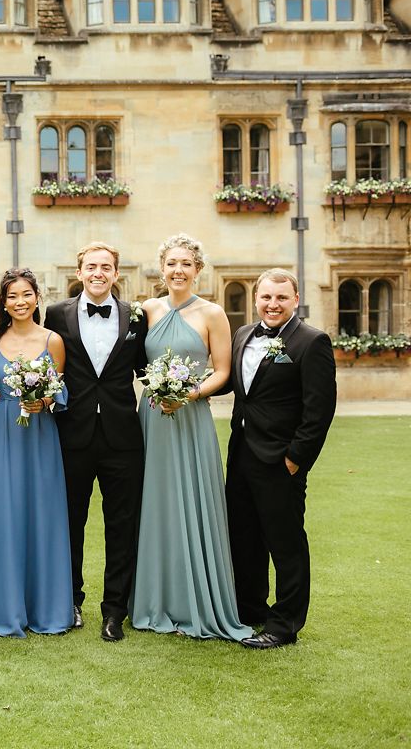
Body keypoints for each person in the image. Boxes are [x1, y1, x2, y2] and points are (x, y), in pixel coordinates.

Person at [129, 235, 251, 641]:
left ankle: (196, 601)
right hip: (152, 418)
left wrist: (188, 394)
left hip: (190, 417)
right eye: (171, 263)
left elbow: (222, 371)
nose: (178, 270)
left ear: (198, 270)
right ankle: (153, 599)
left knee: (191, 501)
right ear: (161, 268)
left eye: (186, 264)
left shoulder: (213, 313)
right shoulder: (146, 310)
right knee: (154, 503)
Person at [43, 241, 148, 642]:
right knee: (69, 522)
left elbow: (146, 366)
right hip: (72, 433)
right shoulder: (56, 314)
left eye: (106, 267)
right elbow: (43, 359)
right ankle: (70, 601)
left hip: (123, 436)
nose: (98, 273)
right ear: (79, 271)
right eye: (91, 266)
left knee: (121, 526)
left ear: (116, 274)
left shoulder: (136, 316)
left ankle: (114, 610)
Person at [226, 268, 336, 649]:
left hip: (280, 461)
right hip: (241, 454)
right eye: (266, 297)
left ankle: (284, 624)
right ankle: (250, 610)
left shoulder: (312, 341)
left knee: (285, 543)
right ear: (256, 298)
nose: (273, 305)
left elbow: (318, 410)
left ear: (295, 299)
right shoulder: (242, 333)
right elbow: (238, 386)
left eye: (281, 298)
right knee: (244, 538)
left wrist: (295, 459)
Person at [0, 268, 72, 637]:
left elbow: (61, 390)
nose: (20, 302)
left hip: (39, 434)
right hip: (3, 432)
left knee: (40, 513)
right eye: (12, 296)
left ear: (37, 297)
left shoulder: (52, 340)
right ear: (3, 302)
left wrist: (45, 399)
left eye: (26, 294)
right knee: (1, 511)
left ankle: (44, 606)